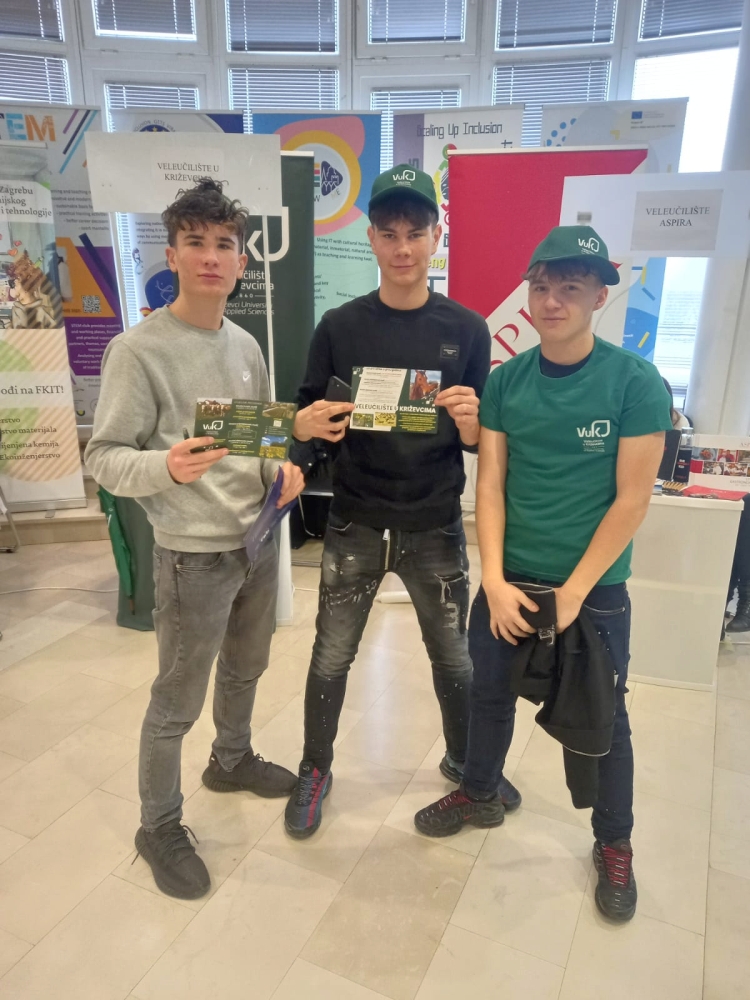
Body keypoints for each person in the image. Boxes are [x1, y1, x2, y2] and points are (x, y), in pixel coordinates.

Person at [414, 226, 672, 923]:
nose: (552, 300)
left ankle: (613, 842)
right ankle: (479, 791)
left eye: (570, 288)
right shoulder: (506, 381)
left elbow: (632, 499)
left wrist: (574, 592)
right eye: (542, 286)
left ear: (598, 296)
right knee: (488, 695)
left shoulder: (634, 382)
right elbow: (491, 486)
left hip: (593, 590)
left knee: (605, 719)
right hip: (513, 577)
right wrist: (495, 581)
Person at [85, 178, 304, 900]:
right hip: (191, 556)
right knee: (176, 700)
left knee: (246, 668)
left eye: (224, 244)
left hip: (256, 541)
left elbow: (261, 438)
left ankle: (232, 759)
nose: (211, 256)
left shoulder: (245, 344)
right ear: (173, 254)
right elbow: (104, 457)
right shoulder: (137, 350)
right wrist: (165, 466)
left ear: (242, 260)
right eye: (196, 243)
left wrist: (281, 472)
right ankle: (157, 825)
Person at [283, 165, 491, 838]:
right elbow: (307, 417)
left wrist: (472, 426)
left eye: (416, 233)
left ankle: (468, 766)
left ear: (437, 237)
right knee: (331, 655)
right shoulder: (339, 326)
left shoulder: (468, 329)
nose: (403, 248)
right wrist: (302, 443)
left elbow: (482, 439)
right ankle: (316, 768)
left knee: (454, 658)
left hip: (435, 523)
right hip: (355, 521)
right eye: (390, 233)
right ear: (371, 238)